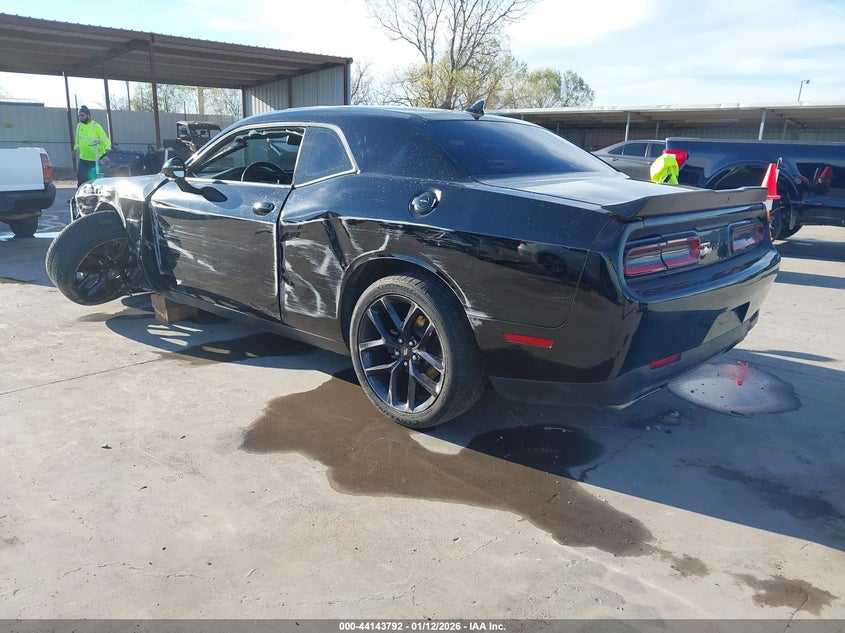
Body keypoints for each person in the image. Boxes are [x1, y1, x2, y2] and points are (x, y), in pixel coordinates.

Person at [73, 105, 111, 186]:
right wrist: (75, 149)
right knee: (81, 180)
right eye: (79, 115)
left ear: (88, 115)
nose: (80, 117)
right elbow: (77, 140)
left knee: (94, 182)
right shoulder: (79, 126)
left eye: (82, 115)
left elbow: (105, 140)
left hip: (95, 160)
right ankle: (80, 197)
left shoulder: (96, 126)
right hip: (83, 159)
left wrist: (107, 151)